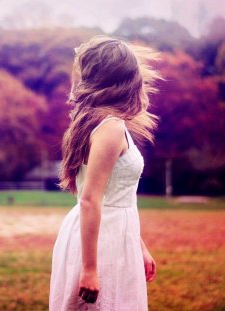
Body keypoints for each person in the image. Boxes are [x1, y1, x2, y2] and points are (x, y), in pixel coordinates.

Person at [49, 35, 161, 310]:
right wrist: (89, 268)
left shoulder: (107, 123)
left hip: (116, 237)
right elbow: (90, 199)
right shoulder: (109, 128)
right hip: (100, 243)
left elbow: (119, 196)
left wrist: (139, 246)